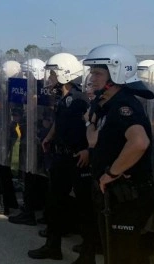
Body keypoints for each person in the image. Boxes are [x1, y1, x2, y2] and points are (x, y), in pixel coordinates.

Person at [84, 44, 154, 264]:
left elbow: (139, 142)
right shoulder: (107, 105)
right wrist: (91, 120)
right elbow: (93, 140)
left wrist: (111, 174)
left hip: (127, 194)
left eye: (98, 73)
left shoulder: (124, 106)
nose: (92, 77)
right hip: (114, 195)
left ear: (117, 72)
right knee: (114, 252)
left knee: (123, 255)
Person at [28, 53, 96, 262]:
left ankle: (88, 255)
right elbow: (60, 122)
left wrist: (88, 151)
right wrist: (49, 137)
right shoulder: (64, 99)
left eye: (53, 74)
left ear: (64, 74)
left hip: (78, 159)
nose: (49, 79)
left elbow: (92, 126)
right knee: (54, 203)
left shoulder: (80, 100)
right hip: (61, 157)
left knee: (85, 209)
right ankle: (52, 246)